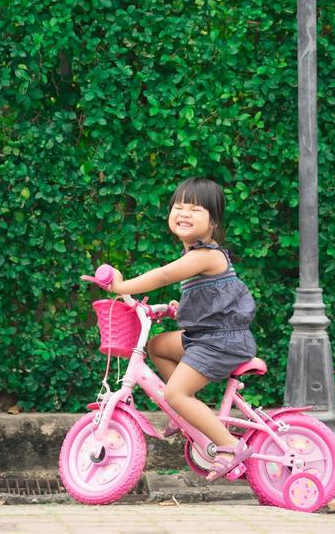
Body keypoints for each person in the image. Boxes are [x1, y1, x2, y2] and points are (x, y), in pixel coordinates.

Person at [109, 176, 257, 481]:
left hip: (221, 342)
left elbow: (163, 276)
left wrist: (120, 286)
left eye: (196, 209)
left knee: (177, 393)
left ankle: (230, 445)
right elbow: (211, 299)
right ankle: (185, 411)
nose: (184, 213)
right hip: (206, 336)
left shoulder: (206, 255)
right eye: (179, 206)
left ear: (214, 223)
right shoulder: (193, 255)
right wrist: (181, 308)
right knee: (158, 346)